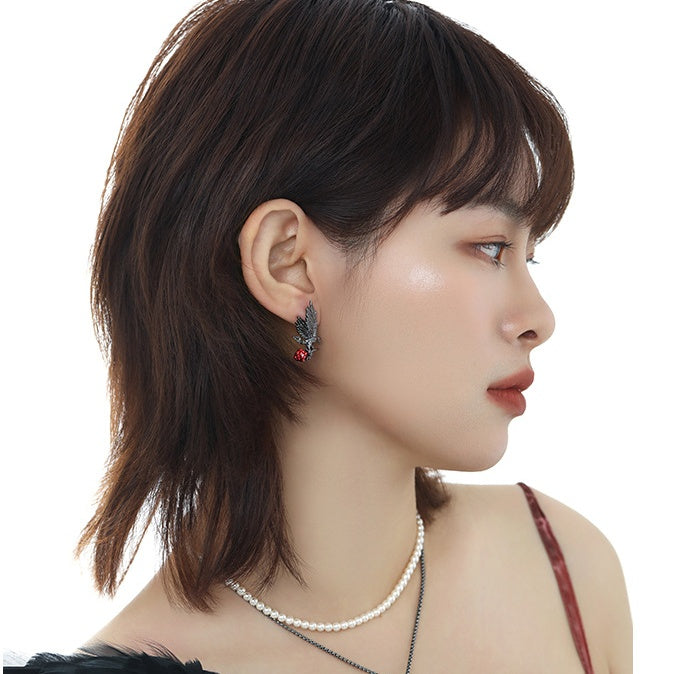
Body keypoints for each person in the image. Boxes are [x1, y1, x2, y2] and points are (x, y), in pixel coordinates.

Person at [8, 0, 632, 672]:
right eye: (489, 247)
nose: (538, 318)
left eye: (528, 256)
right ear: (289, 264)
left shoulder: (563, 569)